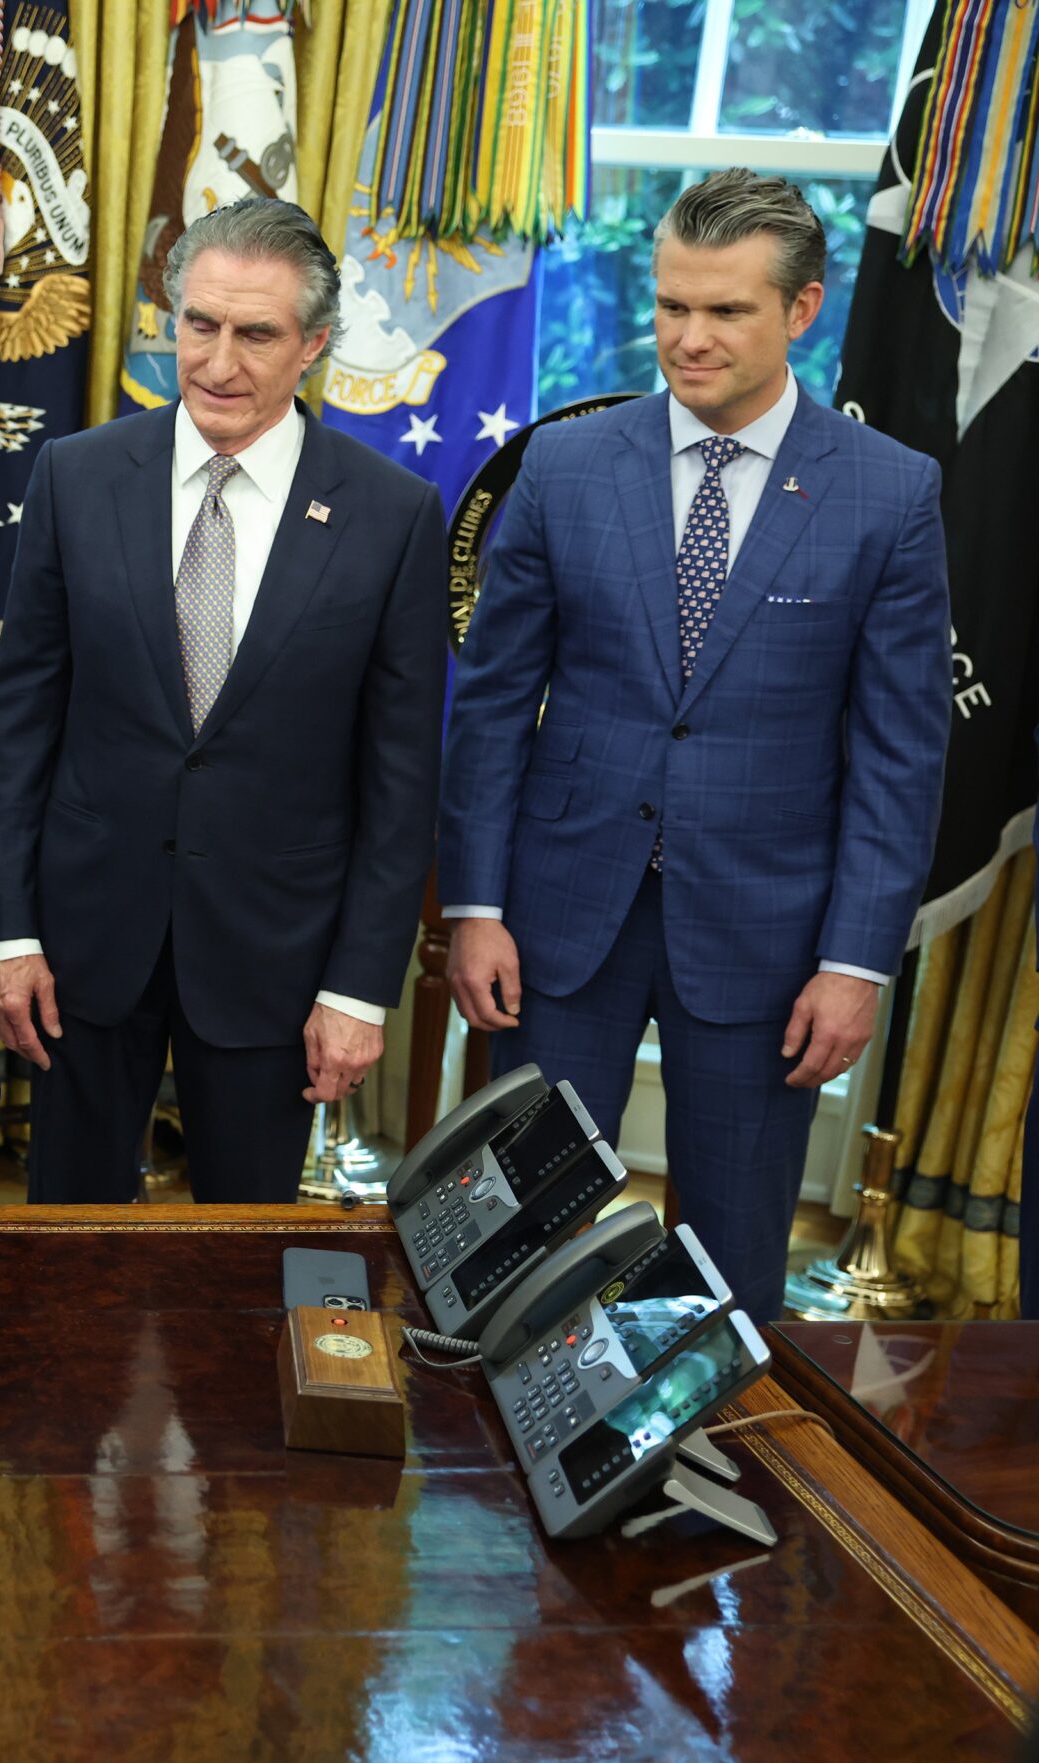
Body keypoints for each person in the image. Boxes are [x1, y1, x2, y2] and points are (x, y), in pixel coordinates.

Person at [440, 171, 951, 1321]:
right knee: (516, 1231)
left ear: (802, 309)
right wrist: (473, 902)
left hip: (767, 940)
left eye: (725, 311)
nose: (688, 337)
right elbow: (489, 703)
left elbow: (897, 754)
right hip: (557, 922)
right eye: (673, 305)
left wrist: (855, 961)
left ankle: (710, 1465)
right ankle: (490, 1478)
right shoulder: (565, 467)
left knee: (726, 1262)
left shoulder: (890, 493)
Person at [0, 197, 448, 1205]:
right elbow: (20, 726)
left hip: (274, 953)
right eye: (199, 324)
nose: (218, 362)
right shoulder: (76, 476)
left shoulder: (392, 516)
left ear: (314, 344)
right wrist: (6, 932)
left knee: (243, 1259)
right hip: (84, 945)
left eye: (256, 334)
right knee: (63, 1244)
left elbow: (399, 783)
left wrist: (360, 985)